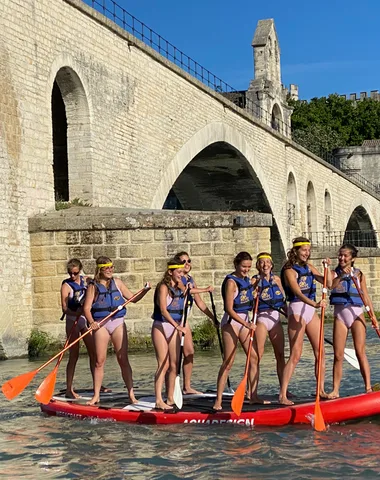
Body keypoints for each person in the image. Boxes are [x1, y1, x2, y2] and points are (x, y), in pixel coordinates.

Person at [83, 256, 150, 405]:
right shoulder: (93, 287)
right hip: (101, 325)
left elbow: (133, 299)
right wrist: (92, 322)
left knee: (122, 358)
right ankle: (96, 395)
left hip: (117, 323)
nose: (109, 270)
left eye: (111, 267)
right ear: (100, 270)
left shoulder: (117, 283)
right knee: (99, 361)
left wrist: (145, 290)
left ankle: (131, 395)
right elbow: (87, 308)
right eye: (106, 268)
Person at [279, 237, 332, 405]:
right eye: (304, 250)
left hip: (309, 310)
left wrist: (327, 268)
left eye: (308, 250)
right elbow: (298, 292)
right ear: (296, 251)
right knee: (296, 353)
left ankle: (321, 390)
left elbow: (328, 283)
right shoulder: (289, 270)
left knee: (320, 352)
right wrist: (315, 304)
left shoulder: (309, 267)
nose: (307, 253)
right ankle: (282, 394)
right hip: (297, 308)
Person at [327, 244, 378, 398]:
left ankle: (368, 387)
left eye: (346, 256)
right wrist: (342, 275)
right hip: (340, 316)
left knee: (360, 352)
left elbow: (366, 296)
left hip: (356, 314)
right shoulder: (332, 273)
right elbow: (330, 286)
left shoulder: (359, 274)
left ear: (352, 258)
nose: (342, 258)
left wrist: (373, 317)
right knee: (338, 355)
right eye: (340, 255)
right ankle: (335, 390)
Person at [213, 252, 260, 411]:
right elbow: (229, 308)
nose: (246, 270)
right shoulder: (231, 282)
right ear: (236, 265)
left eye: (248, 266)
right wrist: (246, 325)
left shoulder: (246, 280)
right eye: (243, 266)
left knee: (254, 358)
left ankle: (252, 395)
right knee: (228, 361)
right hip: (231, 323)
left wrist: (254, 293)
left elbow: (245, 297)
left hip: (244, 321)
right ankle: (218, 400)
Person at [174, 251, 216, 395]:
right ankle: (171, 388)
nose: (187, 264)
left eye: (189, 261)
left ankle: (186, 387)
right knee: (174, 357)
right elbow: (186, 291)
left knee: (190, 353)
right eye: (183, 261)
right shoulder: (176, 279)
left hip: (184, 321)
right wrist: (205, 289)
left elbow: (199, 302)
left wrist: (213, 318)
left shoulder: (191, 279)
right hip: (173, 322)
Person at [151, 259, 187, 411]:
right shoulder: (163, 287)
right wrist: (177, 326)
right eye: (179, 272)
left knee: (174, 364)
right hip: (161, 326)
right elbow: (164, 310)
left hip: (174, 328)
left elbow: (189, 294)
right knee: (163, 364)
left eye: (182, 272)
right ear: (170, 272)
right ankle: (159, 399)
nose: (181, 274)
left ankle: (170, 397)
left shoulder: (180, 286)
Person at [61, 258, 98, 399]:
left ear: (80, 271)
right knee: (74, 355)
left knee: (93, 354)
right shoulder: (66, 285)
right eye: (70, 273)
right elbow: (64, 308)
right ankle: (69, 389)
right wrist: (76, 312)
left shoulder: (87, 281)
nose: (72, 276)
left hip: (85, 320)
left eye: (75, 273)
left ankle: (97, 385)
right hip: (73, 321)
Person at [251, 252, 286, 391]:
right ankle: (251, 390)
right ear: (257, 266)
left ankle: (284, 388)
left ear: (271, 265)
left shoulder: (277, 279)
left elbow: (282, 300)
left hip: (275, 318)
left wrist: (289, 314)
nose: (265, 265)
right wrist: (253, 292)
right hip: (262, 318)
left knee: (280, 354)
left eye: (267, 262)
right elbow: (248, 298)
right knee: (257, 355)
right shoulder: (254, 281)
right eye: (262, 262)